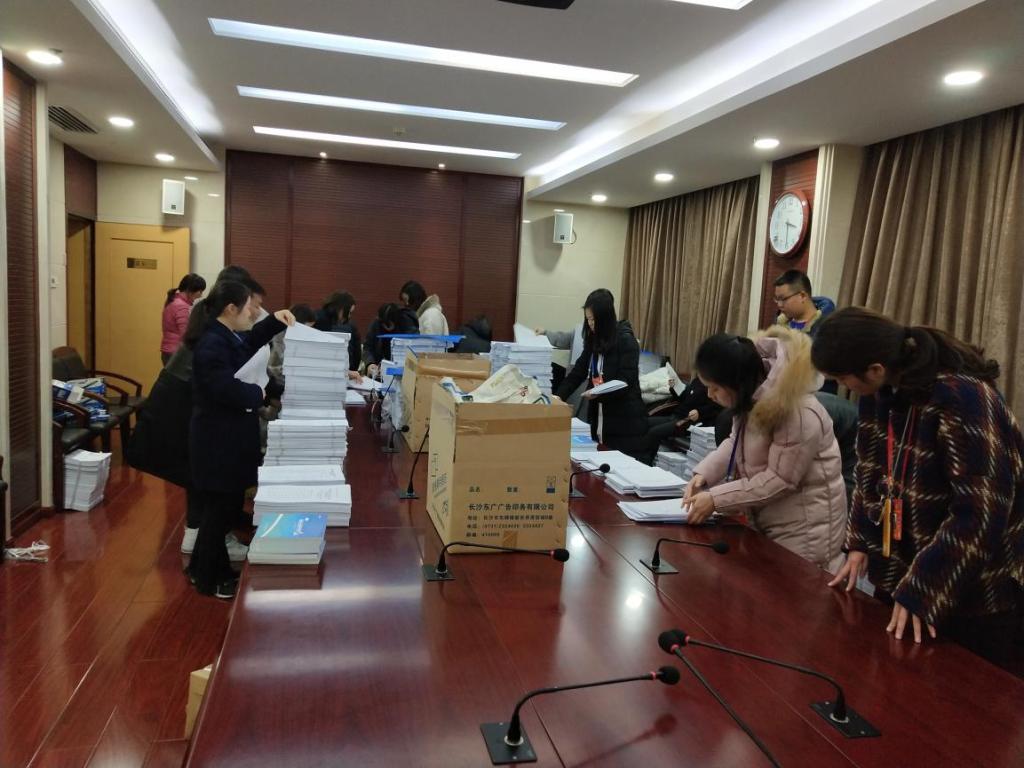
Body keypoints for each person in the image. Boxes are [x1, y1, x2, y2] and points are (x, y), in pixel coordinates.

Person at [813, 307, 1024, 670]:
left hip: (971, 589)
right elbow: (870, 470)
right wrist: (859, 541)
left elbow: (981, 513)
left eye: (843, 378)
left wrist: (922, 589)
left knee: (959, 692)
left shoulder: (965, 398)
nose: (843, 387)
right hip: (904, 573)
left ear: (875, 368)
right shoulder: (879, 392)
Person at [682, 327, 847, 571]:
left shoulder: (796, 410)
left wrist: (716, 499)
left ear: (737, 382)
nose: (710, 395)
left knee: (792, 592)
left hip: (805, 531)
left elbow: (780, 479)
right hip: (771, 520)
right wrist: (703, 475)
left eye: (715, 388)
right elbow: (735, 441)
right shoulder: (752, 396)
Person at [185, 280, 295, 599]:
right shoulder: (212, 344)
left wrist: (275, 322)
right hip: (217, 441)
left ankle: (199, 568)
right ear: (230, 309)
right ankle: (211, 578)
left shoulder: (225, 336)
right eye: (249, 307)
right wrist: (258, 393)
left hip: (227, 437)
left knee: (223, 508)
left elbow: (248, 344)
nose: (254, 313)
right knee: (219, 512)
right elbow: (223, 389)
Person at [555, 290, 648, 460]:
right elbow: (579, 371)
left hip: (625, 421)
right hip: (599, 416)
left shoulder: (626, 341)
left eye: (593, 319)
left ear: (605, 318)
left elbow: (626, 381)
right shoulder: (594, 340)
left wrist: (600, 392)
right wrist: (558, 396)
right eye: (588, 319)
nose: (590, 324)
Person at [267, 303, 316, 397]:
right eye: (308, 328)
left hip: (292, 381)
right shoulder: (279, 338)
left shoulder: (299, 337)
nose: (310, 331)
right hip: (278, 383)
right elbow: (273, 369)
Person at [773, 270, 834, 339]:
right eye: (777, 299)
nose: (779, 305)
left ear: (802, 296)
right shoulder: (779, 325)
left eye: (783, 299)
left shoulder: (827, 329)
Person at [161, 273, 206, 364]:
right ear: (190, 290)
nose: (201, 295)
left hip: (168, 351)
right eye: (200, 291)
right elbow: (185, 334)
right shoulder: (181, 307)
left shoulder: (173, 301)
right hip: (176, 353)